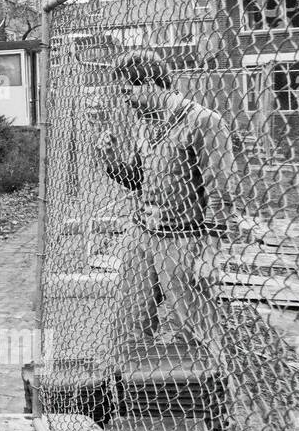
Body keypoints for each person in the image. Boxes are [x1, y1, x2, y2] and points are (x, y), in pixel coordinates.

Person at [95, 50, 237, 354]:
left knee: (190, 331)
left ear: (147, 81)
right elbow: (137, 180)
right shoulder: (143, 125)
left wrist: (210, 255)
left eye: (126, 90)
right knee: (129, 320)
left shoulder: (204, 122)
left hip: (183, 240)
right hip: (142, 235)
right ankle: (130, 386)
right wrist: (110, 159)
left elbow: (221, 191)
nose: (124, 99)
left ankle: (207, 387)